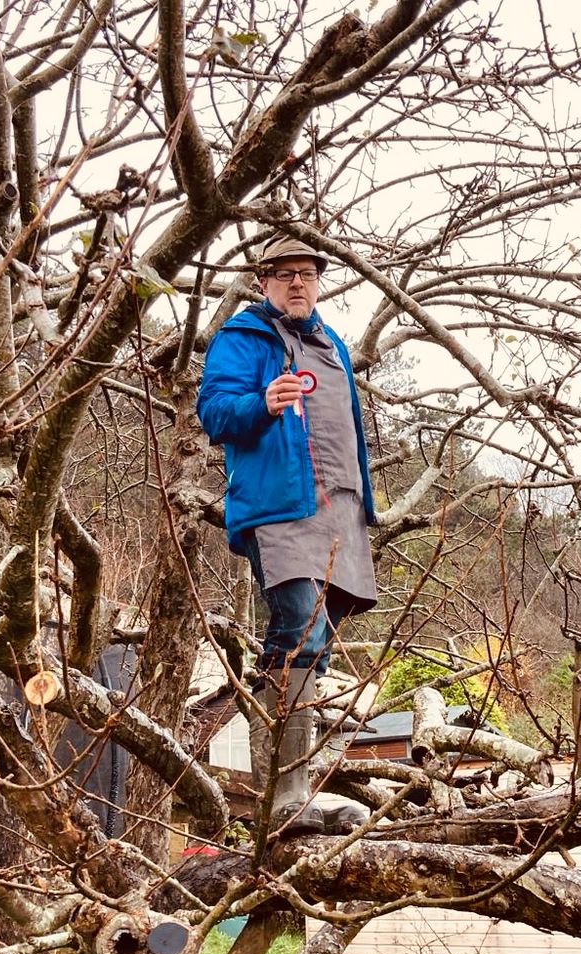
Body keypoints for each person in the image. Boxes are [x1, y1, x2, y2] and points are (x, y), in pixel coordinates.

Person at [196, 234, 376, 833]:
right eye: (283, 274)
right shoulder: (243, 338)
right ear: (263, 281)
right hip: (280, 504)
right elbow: (214, 412)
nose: (297, 282)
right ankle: (280, 799)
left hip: (338, 508)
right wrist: (262, 403)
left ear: (319, 280)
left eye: (307, 273)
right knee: (296, 620)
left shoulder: (333, 346)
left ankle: (301, 792)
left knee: (319, 636)